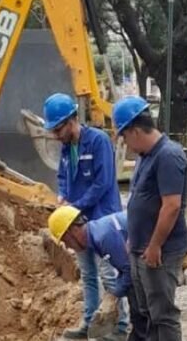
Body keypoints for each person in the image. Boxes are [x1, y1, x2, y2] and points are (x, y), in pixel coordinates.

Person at [43, 93, 129, 340]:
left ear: (71, 120)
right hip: (76, 219)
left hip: (100, 217)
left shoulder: (98, 141)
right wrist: (61, 195)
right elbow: (62, 176)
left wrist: (74, 207)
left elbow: (102, 183)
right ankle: (90, 323)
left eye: (58, 129)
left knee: (109, 272)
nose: (55, 136)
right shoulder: (66, 147)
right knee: (88, 274)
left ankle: (119, 327)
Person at [112, 96, 187, 341]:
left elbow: (171, 206)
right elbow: (139, 199)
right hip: (141, 248)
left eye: (124, 136)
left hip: (160, 251)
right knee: (146, 311)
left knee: (163, 314)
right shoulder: (146, 156)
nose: (125, 142)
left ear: (135, 131)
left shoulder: (168, 155)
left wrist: (155, 245)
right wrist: (133, 240)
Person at [49, 206, 146, 341]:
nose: (67, 246)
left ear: (74, 230)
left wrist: (113, 295)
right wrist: (113, 294)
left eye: (65, 240)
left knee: (144, 310)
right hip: (146, 254)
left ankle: (123, 332)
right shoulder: (97, 235)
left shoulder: (104, 237)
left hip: (162, 251)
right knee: (137, 308)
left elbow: (130, 270)